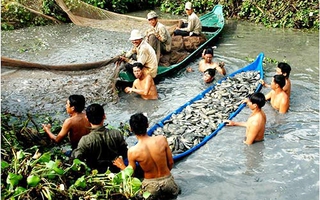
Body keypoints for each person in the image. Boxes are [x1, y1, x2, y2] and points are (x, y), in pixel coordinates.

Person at [113, 113, 179, 199]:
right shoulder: (162, 139)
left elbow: (131, 175)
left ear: (131, 129)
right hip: (168, 182)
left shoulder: (132, 151)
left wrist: (121, 165)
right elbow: (170, 163)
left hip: (150, 185)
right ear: (147, 125)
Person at [72, 104, 128, 173]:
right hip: (115, 169)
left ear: (87, 118)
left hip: (96, 173)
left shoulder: (85, 140)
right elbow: (124, 152)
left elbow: (78, 158)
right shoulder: (116, 133)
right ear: (104, 116)